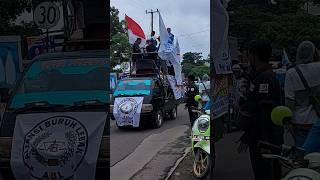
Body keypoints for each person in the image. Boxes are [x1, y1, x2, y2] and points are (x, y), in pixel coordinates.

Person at [239, 40, 283, 180]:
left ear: (254, 56)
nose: (247, 59)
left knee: (265, 172)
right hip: (264, 135)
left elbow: (263, 112)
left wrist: (247, 136)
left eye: (248, 55)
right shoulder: (259, 76)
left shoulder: (265, 78)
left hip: (265, 137)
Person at [284, 41, 320, 148]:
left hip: (299, 122)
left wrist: (287, 123)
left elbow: (289, 102)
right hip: (317, 121)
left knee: (302, 157)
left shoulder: (291, 73)